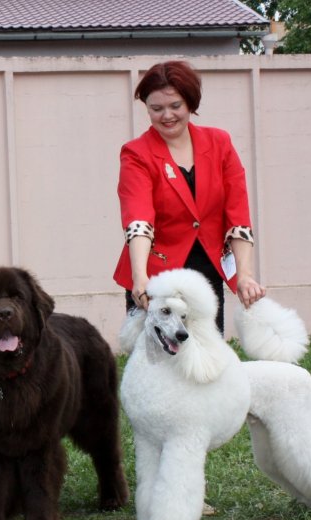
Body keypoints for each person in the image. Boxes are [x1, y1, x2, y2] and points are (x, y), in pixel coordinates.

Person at [113, 61, 265, 332]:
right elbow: (138, 220)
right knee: (158, 362)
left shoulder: (220, 143)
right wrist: (140, 277)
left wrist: (245, 275)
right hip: (154, 273)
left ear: (191, 104)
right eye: (156, 108)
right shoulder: (136, 153)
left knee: (206, 359)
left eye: (175, 106)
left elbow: (238, 215)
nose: (166, 116)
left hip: (206, 270)